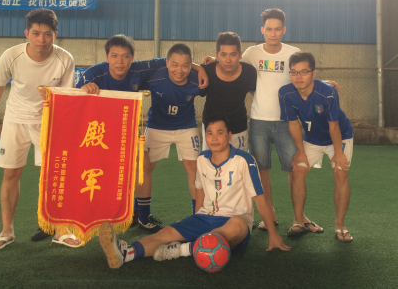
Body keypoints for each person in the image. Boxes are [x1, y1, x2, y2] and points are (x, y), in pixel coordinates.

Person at [98, 112, 290, 269]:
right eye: (210, 133)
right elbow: (199, 190)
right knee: (166, 233)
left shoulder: (244, 160)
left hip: (234, 219)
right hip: (205, 217)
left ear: (229, 135)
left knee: (237, 227)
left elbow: (260, 199)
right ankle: (126, 253)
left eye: (220, 133)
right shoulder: (202, 159)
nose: (214, 138)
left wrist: (273, 234)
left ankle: (183, 249)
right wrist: (197, 217)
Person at [76, 36, 208, 233]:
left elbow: (174, 60)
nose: (120, 61)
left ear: (132, 57)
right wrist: (82, 89)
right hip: (104, 131)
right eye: (114, 56)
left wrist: (200, 68)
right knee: (122, 170)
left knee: (155, 166)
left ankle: (185, 216)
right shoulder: (94, 73)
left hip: (168, 126)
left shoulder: (142, 70)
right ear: (106, 57)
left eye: (125, 56)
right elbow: (71, 96)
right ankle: (115, 213)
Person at [0, 8, 81, 251]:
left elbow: (67, 97)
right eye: (36, 33)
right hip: (15, 119)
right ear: (27, 33)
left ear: (55, 35)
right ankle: (7, 231)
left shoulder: (65, 59)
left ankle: (61, 230)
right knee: (10, 174)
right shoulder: (11, 55)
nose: (41, 40)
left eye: (47, 34)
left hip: (50, 122)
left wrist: (53, 97)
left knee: (56, 175)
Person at [238, 8, 335, 232]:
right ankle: (269, 215)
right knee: (262, 171)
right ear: (262, 30)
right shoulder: (252, 53)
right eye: (269, 29)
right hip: (258, 121)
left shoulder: (293, 53)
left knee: (295, 170)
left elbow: (305, 76)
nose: (273, 33)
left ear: (284, 30)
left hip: (287, 122)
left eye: (277, 29)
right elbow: (231, 64)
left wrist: (326, 83)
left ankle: (299, 218)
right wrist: (210, 61)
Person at [279, 51, 353, 242]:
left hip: (340, 136)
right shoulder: (286, 93)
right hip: (312, 138)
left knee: (340, 173)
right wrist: (301, 152)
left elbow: (333, 126)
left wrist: (338, 153)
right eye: (294, 72)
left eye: (303, 72)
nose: (298, 76)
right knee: (297, 170)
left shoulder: (327, 92)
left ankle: (340, 225)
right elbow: (294, 124)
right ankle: (298, 221)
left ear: (313, 73)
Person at [140, 43, 206, 228]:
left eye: (185, 65)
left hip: (186, 126)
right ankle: (142, 215)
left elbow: (216, 75)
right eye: (175, 65)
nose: (179, 70)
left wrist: (202, 68)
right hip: (157, 126)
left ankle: (197, 216)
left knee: (193, 167)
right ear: (167, 63)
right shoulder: (154, 77)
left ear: (191, 65)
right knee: (145, 167)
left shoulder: (198, 80)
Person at [201, 32, 257, 151]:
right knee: (211, 162)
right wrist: (199, 67)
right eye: (223, 54)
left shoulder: (249, 73)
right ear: (216, 55)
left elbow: (256, 92)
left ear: (240, 55)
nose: (228, 60)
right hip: (211, 128)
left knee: (239, 162)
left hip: (238, 128)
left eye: (233, 54)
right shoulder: (206, 71)